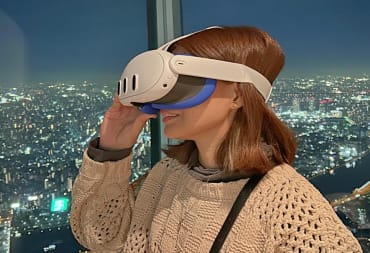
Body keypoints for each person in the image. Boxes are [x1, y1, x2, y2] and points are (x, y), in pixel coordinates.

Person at [70, 26, 362, 253]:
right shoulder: (167, 174)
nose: (164, 102)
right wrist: (112, 149)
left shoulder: (288, 204)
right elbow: (100, 238)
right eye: (163, 88)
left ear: (237, 94)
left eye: (182, 85)